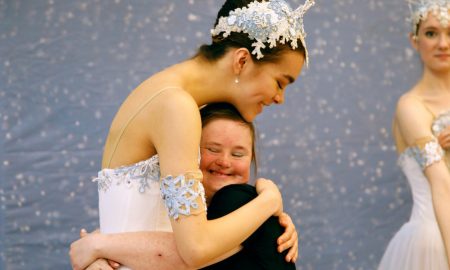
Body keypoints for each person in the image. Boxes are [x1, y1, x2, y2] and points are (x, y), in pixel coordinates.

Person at [69, 0, 314, 269]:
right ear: (242, 60)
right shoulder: (176, 106)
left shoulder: (168, 96)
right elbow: (196, 249)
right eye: (280, 82)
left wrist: (262, 222)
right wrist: (269, 202)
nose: (280, 98)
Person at [378, 1, 450, 269]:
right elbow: (441, 183)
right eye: (432, 33)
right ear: (414, 40)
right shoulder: (410, 106)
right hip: (434, 240)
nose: (443, 43)